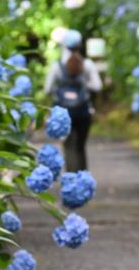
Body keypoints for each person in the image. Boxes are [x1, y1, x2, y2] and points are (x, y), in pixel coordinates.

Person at [44, 29, 102, 172]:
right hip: (83, 111)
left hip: (64, 113)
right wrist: (83, 84)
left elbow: (47, 89)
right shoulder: (87, 64)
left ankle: (71, 179)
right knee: (81, 146)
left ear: (64, 45)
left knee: (69, 146)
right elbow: (97, 86)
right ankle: (83, 178)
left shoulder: (57, 66)